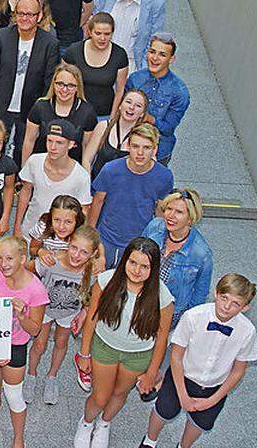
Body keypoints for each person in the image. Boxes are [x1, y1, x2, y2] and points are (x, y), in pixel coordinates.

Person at [137, 275, 257, 448]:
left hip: (214, 387)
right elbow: (176, 355)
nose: (227, 306)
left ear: (245, 307)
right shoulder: (193, 316)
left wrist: (214, 399)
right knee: (163, 410)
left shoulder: (247, 332)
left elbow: (238, 370)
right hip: (180, 378)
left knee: (200, 423)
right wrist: (182, 393)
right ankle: (150, 439)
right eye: (224, 297)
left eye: (235, 303)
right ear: (216, 293)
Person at [74, 237, 174, 448]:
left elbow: (162, 335)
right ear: (124, 261)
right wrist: (84, 353)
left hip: (138, 355)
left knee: (120, 393)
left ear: (153, 268)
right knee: (100, 395)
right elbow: (92, 317)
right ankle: (87, 421)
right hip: (105, 346)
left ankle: (105, 423)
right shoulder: (106, 280)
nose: (137, 271)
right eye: (132, 263)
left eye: (144, 266)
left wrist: (151, 372)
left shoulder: (163, 296)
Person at [0, 236, 50, 448]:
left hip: (16, 344)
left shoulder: (35, 289)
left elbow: (36, 330)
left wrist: (21, 315)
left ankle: (19, 441)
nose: (3, 263)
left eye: (9, 258)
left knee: (15, 396)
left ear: (22, 258)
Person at [28, 224, 104, 405]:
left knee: (62, 343)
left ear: (93, 254)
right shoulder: (52, 262)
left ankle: (52, 377)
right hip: (45, 309)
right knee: (39, 344)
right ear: (68, 243)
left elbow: (94, 295)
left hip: (69, 312)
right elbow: (27, 270)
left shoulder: (93, 271)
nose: (77, 255)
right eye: (74, 248)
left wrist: (84, 312)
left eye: (84, 252)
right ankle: (31, 374)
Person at [0, 0, 60, 165]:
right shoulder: (2, 36)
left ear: (39, 16)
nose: (24, 18)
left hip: (30, 108)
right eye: (20, 13)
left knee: (22, 150)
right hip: (1, 105)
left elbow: (49, 81)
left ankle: (16, 183)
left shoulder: (50, 43)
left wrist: (42, 110)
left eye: (30, 14)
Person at [90, 124, 173, 268]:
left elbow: (160, 211)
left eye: (146, 147)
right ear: (128, 146)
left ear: (155, 149)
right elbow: (97, 201)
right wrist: (91, 235)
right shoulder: (111, 169)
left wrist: (156, 242)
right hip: (106, 239)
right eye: (135, 146)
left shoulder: (164, 176)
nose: (140, 152)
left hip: (138, 243)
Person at [143, 189, 213, 329]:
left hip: (169, 312)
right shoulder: (154, 227)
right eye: (169, 208)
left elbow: (200, 294)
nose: (171, 215)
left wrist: (186, 323)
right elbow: (136, 254)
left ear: (190, 218)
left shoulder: (201, 254)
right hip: (142, 299)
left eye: (179, 212)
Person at [16, 119, 94, 238]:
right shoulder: (34, 161)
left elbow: (83, 212)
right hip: (30, 231)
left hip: (61, 240)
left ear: (71, 144)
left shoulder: (81, 176)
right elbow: (25, 193)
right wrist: (17, 227)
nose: (52, 147)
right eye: (49, 141)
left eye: (59, 143)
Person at [125, 33, 189, 164]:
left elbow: (168, 128)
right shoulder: (135, 79)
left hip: (159, 151)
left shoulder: (180, 92)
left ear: (172, 59)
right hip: (128, 145)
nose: (155, 58)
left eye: (162, 54)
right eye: (152, 52)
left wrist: (150, 119)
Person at [94, 0, 167, 72]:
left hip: (132, 63)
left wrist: (143, 70)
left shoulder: (155, 2)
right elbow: (95, 21)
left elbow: (154, 38)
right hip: (101, 57)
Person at [19, 63, 99, 164]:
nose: (64, 90)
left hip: (71, 170)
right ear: (53, 84)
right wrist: (25, 170)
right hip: (40, 166)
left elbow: (86, 148)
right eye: (60, 84)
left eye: (70, 86)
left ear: (77, 87)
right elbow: (29, 141)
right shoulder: (40, 106)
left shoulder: (87, 112)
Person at [65, 12, 130, 120]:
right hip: (74, 112)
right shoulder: (74, 51)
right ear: (90, 32)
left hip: (104, 115)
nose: (102, 38)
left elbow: (120, 91)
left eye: (107, 34)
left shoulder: (119, 55)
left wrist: (112, 118)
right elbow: (62, 82)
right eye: (98, 33)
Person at [84, 88, 149, 178]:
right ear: (120, 105)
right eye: (128, 102)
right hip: (97, 186)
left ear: (142, 113)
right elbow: (87, 160)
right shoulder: (103, 127)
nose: (131, 107)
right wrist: (87, 184)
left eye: (138, 105)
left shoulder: (143, 137)